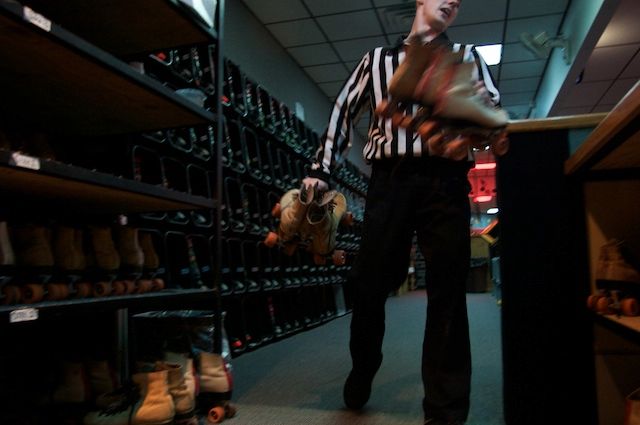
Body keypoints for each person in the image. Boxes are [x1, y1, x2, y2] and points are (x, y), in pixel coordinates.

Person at [302, 1, 507, 424]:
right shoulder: (377, 60)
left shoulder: (467, 56)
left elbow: (492, 114)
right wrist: (321, 170)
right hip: (390, 179)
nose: (452, 2)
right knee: (369, 283)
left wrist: (466, 106)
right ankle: (363, 366)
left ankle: (446, 412)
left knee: (448, 291)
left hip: (446, 180)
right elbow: (343, 109)